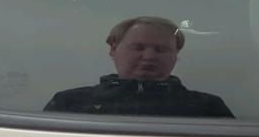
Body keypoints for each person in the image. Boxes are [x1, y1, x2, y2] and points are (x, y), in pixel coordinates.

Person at [44, 16, 235, 118]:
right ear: (113, 50)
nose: (149, 56)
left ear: (176, 55)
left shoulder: (208, 107)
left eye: (160, 49)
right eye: (138, 48)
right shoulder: (69, 103)